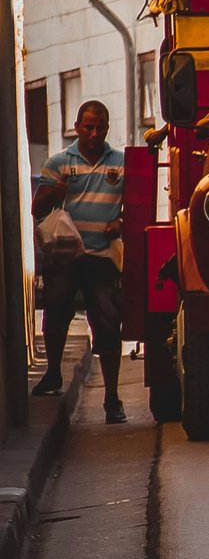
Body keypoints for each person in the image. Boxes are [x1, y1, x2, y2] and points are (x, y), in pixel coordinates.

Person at [32, 100, 128, 424]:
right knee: (56, 311)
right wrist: (54, 191)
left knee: (107, 323)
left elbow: (134, 208)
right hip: (65, 256)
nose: (94, 133)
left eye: (100, 127)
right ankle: (53, 375)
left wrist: (121, 224)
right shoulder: (59, 161)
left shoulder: (120, 163)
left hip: (100, 255)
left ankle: (112, 399)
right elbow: (37, 209)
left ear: (107, 128)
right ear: (76, 127)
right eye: (88, 127)